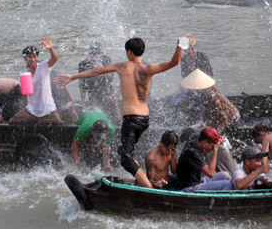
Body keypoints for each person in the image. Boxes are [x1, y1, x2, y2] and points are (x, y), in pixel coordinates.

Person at [56, 37, 182, 188]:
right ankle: (144, 180)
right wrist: (180, 46)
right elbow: (174, 62)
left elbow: (95, 72)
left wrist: (72, 77)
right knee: (126, 151)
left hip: (132, 119)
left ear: (129, 52)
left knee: (125, 158)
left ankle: (149, 187)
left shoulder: (122, 67)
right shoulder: (149, 69)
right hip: (144, 120)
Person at [9, 38, 63, 125]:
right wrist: (23, 108)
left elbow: (54, 59)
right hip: (31, 111)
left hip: (48, 110)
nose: (33, 60)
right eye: (30, 57)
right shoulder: (24, 74)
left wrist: (51, 49)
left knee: (60, 125)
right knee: (12, 122)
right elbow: (26, 96)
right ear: (25, 58)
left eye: (34, 56)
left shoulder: (43, 67)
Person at [176, 126, 232, 191]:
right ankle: (216, 200)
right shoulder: (193, 152)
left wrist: (217, 139)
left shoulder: (195, 142)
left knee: (225, 175)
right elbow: (211, 174)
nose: (213, 147)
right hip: (190, 187)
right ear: (204, 143)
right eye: (212, 146)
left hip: (197, 181)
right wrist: (216, 150)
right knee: (228, 184)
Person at [78, 41, 121, 125]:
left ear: (100, 53)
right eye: (92, 54)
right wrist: (83, 105)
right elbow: (82, 86)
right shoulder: (83, 64)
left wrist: (101, 67)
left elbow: (110, 79)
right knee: (95, 116)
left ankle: (119, 123)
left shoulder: (106, 60)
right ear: (89, 54)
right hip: (93, 95)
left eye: (97, 54)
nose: (94, 56)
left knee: (115, 108)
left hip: (108, 93)